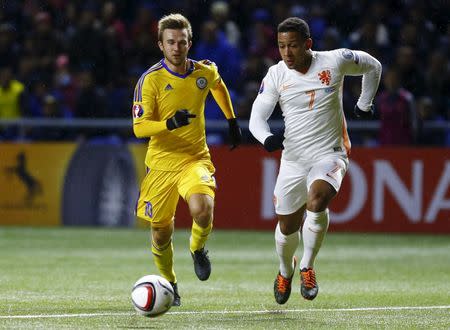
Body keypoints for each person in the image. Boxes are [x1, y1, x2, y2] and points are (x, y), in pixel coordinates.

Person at [249, 17, 381, 304]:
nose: (287, 53)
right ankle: (286, 270)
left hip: (330, 152)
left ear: (308, 44)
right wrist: (266, 138)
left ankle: (308, 265)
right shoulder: (275, 74)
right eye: (282, 46)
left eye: (293, 46)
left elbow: (373, 65)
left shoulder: (335, 61)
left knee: (317, 200)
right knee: (287, 226)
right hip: (293, 160)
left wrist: (364, 103)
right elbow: (256, 117)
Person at [132, 13, 242, 307]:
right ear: (161, 45)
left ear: (189, 43)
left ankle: (197, 248)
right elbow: (139, 128)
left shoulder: (203, 72)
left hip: (194, 159)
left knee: (202, 209)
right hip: (161, 164)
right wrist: (169, 123)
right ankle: (170, 283)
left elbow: (217, 85)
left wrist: (231, 120)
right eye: (171, 42)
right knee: (160, 232)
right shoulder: (150, 80)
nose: (177, 47)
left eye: (182, 42)